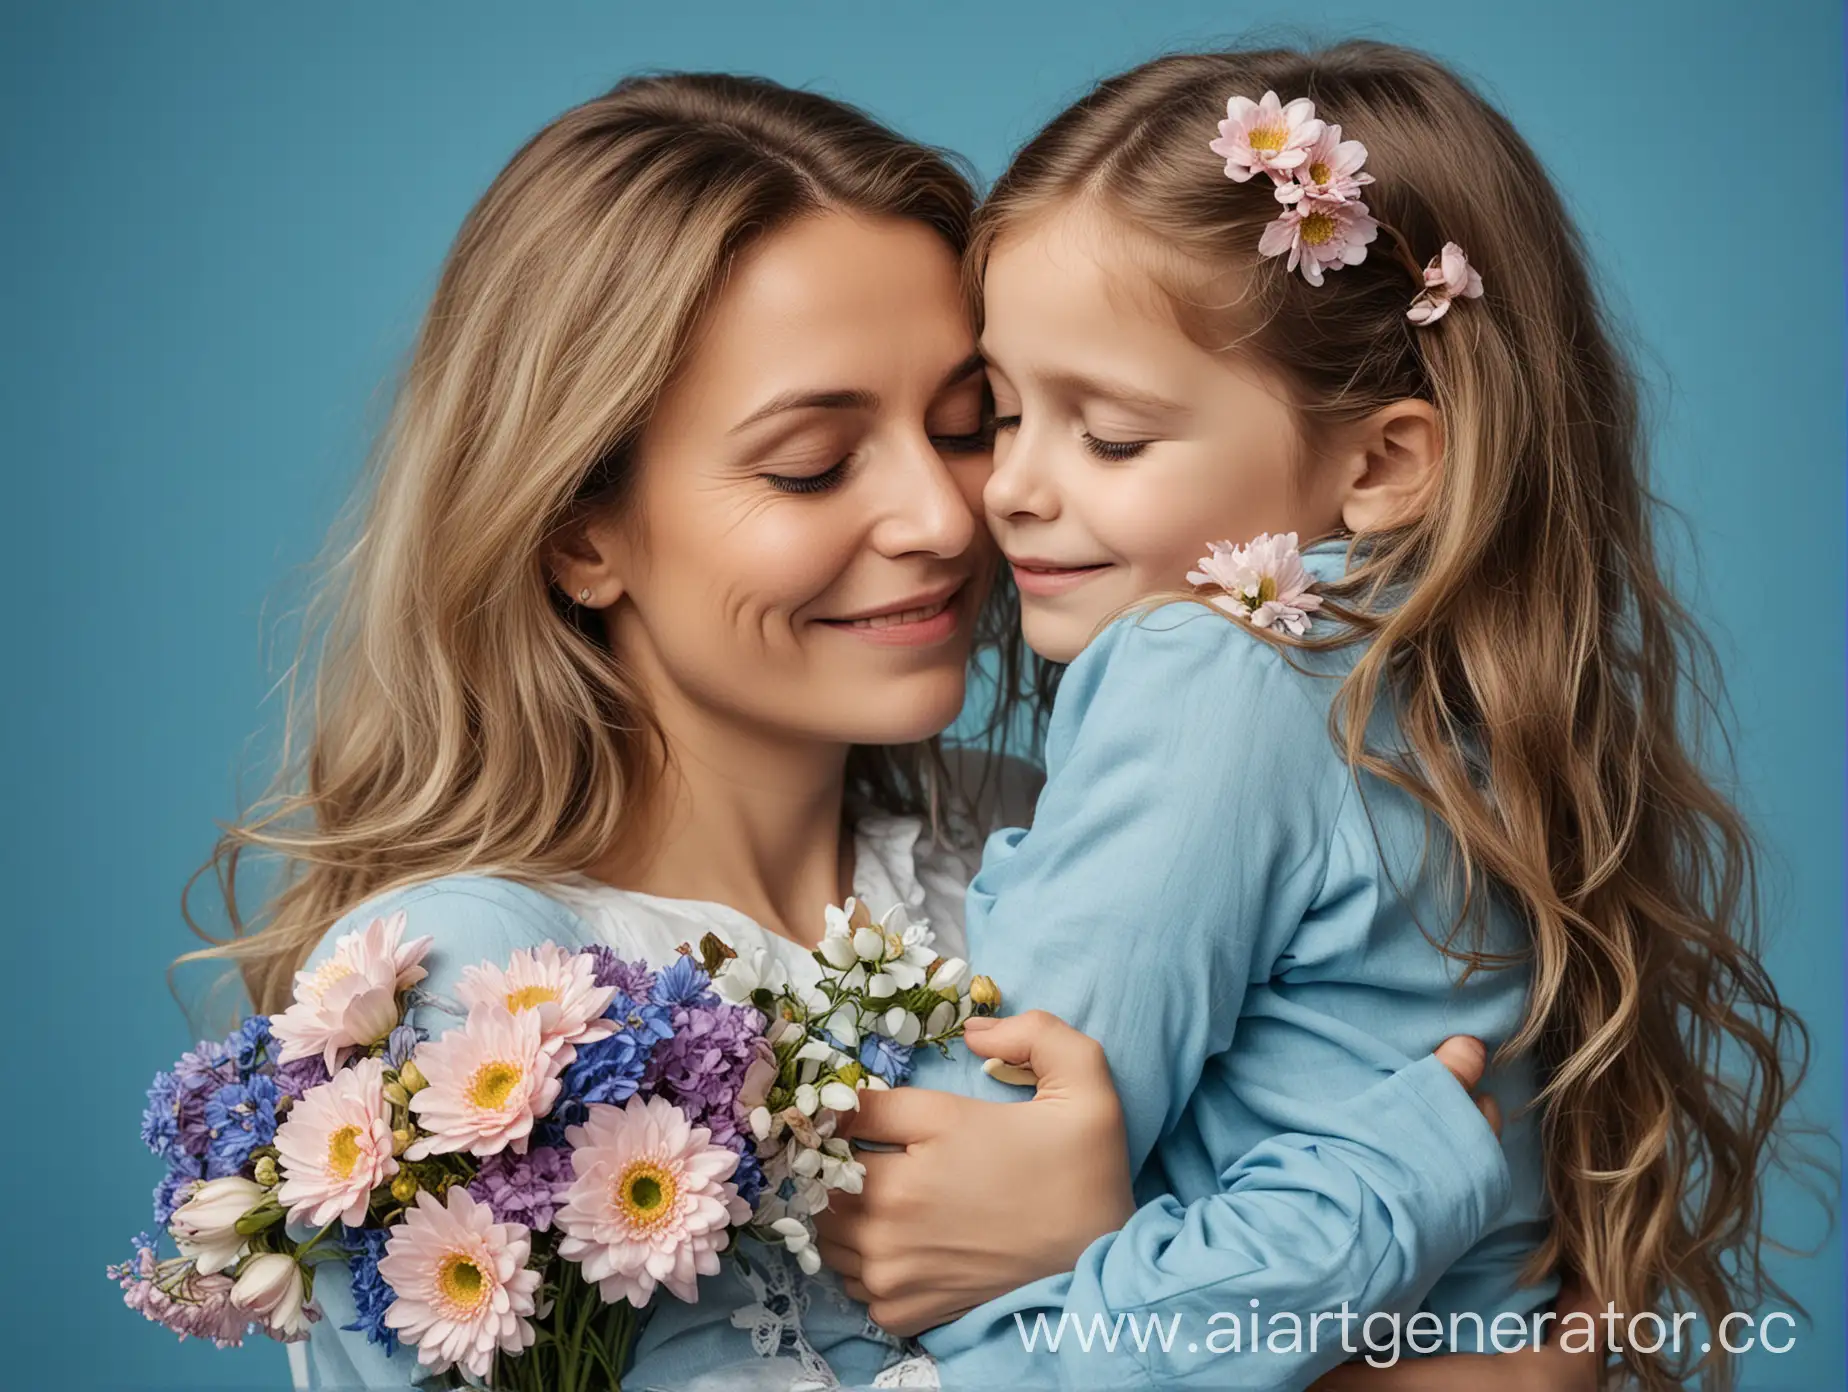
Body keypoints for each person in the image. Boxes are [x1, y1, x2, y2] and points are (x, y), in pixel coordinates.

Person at [184, 71, 1587, 1392]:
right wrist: (1339, 1215)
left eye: (970, 423)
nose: (946, 516)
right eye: (811, 463)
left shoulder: (1047, 827)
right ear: (580, 534)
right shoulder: (487, 1004)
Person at [812, 42, 1802, 1392]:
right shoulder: (1449, 690)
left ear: (1385, 461)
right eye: (1002, 412)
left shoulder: (1210, 670)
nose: (1010, 490)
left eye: (1109, 437)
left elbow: (961, 1219)